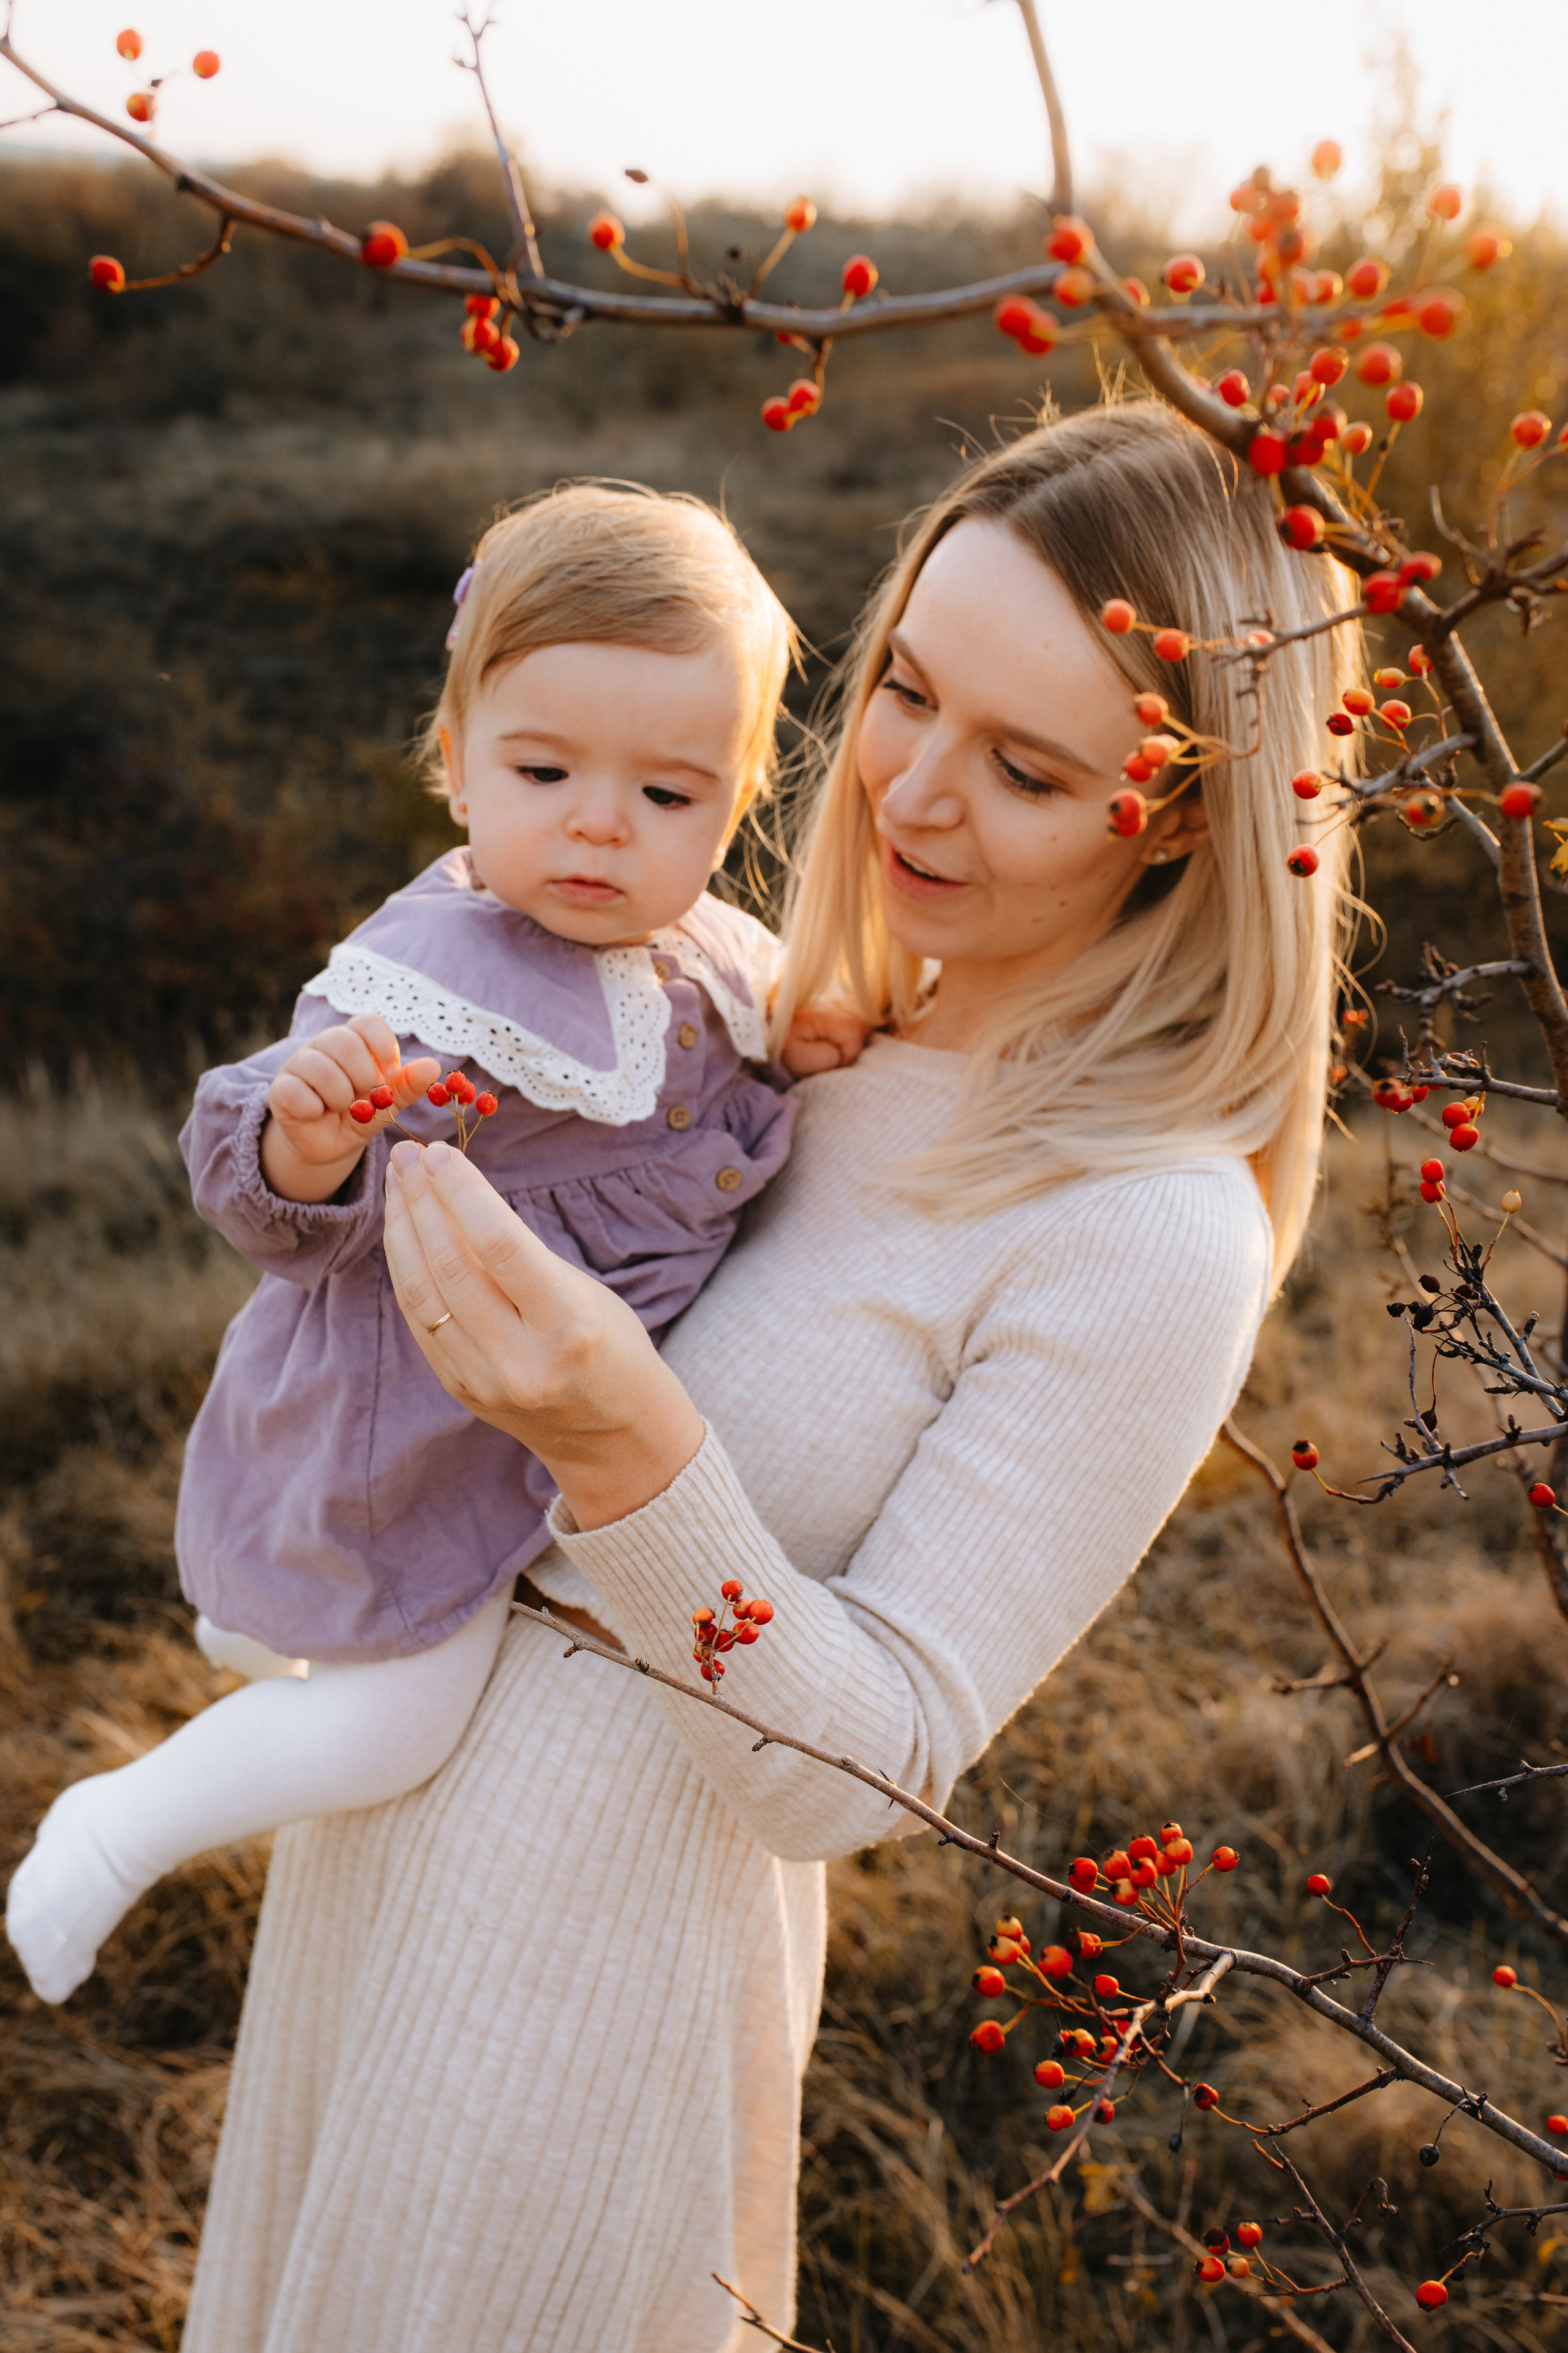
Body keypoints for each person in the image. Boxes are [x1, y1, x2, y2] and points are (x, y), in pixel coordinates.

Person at [179, 400, 1359, 2353]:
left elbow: (878, 1755)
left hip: (594, 1978)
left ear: (1180, 822)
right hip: (386, 1846)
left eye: (1032, 769)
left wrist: (626, 1448)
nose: (911, 792)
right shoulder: (757, 1015)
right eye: (905, 687)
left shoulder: (1148, 1225)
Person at [6, 483, 867, 2007]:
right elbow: (251, 1175)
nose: (601, 823)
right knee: (401, 1713)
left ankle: (266, 1638)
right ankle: (115, 1823)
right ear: (456, 763)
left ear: (734, 806)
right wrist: (312, 1135)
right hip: (407, 1415)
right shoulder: (431, 967)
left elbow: (733, 1077)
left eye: (668, 797)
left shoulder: (707, 954)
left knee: (385, 1659)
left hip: (541, 1418)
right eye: (543, 768)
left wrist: (815, 1035)